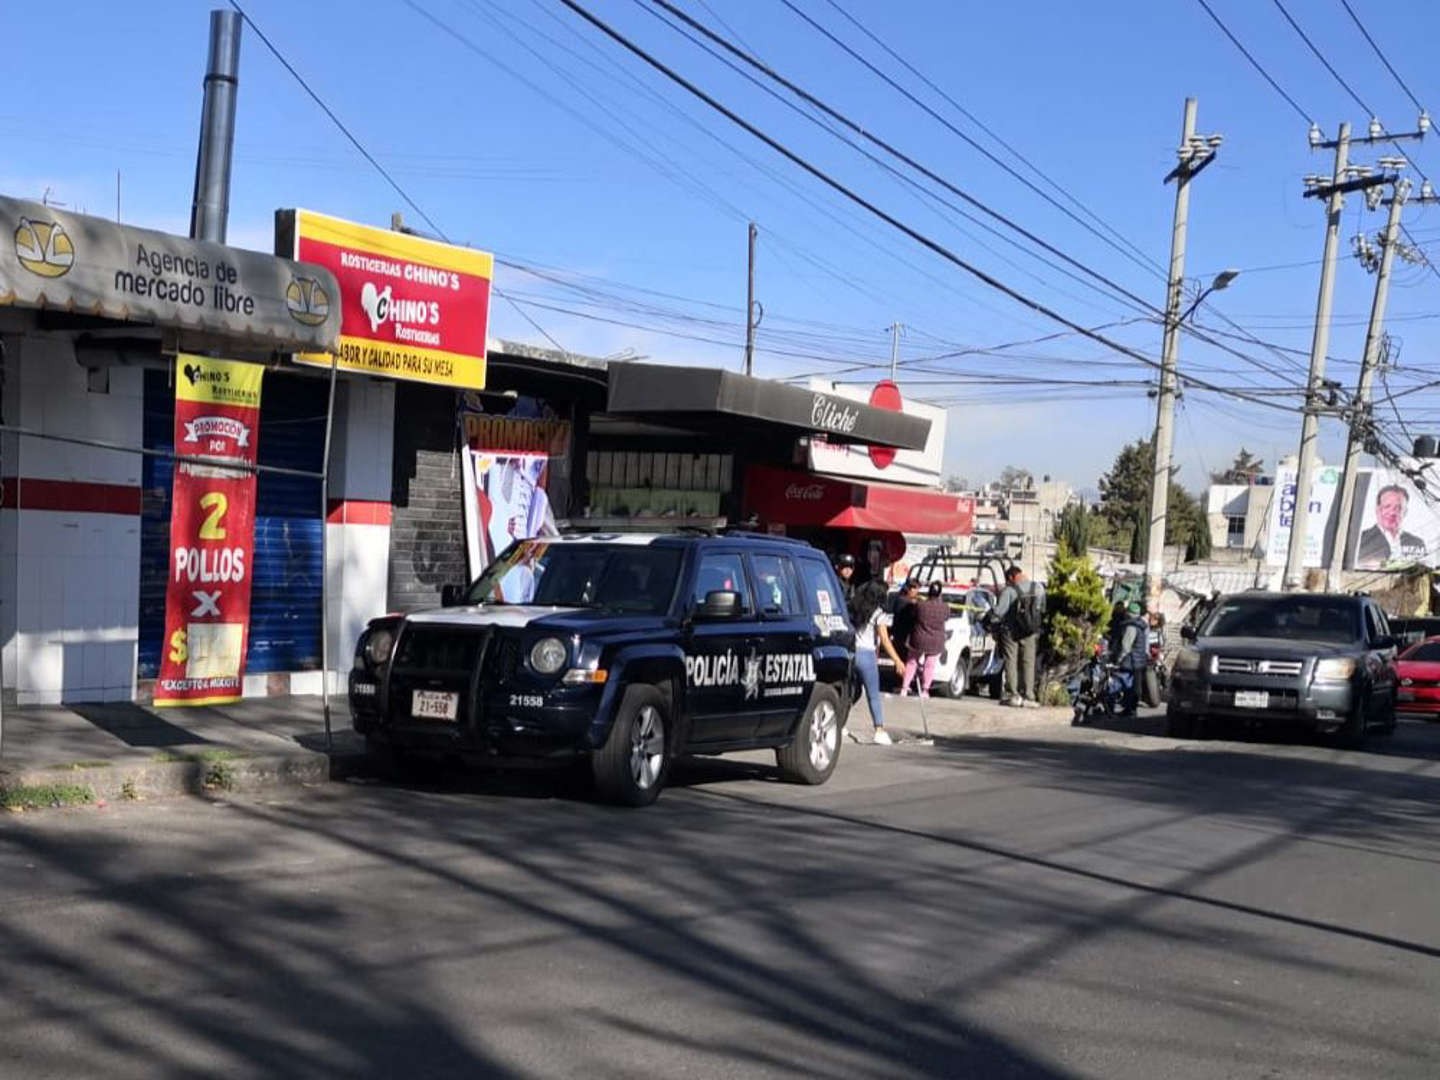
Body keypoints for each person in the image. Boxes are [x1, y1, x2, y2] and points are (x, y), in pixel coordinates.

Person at [849, 579, 903, 745]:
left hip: (851, 652)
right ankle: (879, 729)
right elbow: (885, 640)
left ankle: (839, 721)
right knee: (873, 695)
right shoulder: (879, 613)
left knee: (852, 691)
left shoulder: (854, 607)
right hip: (867, 654)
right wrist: (898, 661)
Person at [992, 565, 1045, 707]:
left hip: (1011, 631)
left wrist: (991, 621)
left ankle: (1013, 694)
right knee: (1028, 662)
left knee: (1011, 661)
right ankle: (1029, 695)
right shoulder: (1038, 588)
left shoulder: (1009, 591)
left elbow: (998, 613)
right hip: (1031, 631)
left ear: (1011, 577)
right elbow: (1043, 609)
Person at [1356, 484, 1427, 568]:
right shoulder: (1360, 541)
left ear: (1405, 512)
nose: (1392, 512)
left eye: (1398, 508)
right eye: (1387, 507)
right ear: (1378, 510)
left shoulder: (1417, 543)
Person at [899, 581, 950, 697]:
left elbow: (913, 615)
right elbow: (947, 617)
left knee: (912, 662)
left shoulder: (920, 605)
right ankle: (925, 690)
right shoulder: (945, 607)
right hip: (935, 640)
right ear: (940, 594)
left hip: (918, 638)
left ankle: (905, 687)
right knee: (930, 665)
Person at [1108, 601, 1149, 716]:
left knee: (1118, 684)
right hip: (1138, 662)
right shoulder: (1141, 626)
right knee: (1131, 687)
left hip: (1130, 661)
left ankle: (1111, 708)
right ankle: (1130, 710)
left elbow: (1126, 646)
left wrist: (1118, 660)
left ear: (1128, 613)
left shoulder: (1131, 627)